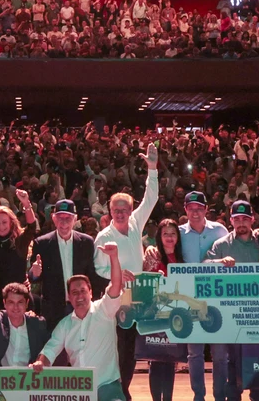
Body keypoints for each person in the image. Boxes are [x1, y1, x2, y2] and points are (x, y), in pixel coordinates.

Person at [94, 142, 160, 401]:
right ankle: (116, 391)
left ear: (131, 211)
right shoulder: (103, 235)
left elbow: (152, 197)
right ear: (109, 211)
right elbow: (99, 269)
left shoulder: (135, 223)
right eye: (116, 210)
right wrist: (117, 276)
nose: (121, 213)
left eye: (125, 209)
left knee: (131, 348)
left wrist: (152, 168)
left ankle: (124, 390)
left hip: (139, 296)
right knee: (116, 346)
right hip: (114, 297)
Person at [31, 242, 126, 401]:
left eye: (83, 291)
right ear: (69, 297)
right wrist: (40, 363)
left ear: (91, 292)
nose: (79, 296)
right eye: (74, 292)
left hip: (107, 387)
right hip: (79, 391)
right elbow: (49, 351)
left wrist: (114, 257)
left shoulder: (105, 310)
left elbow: (116, 285)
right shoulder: (65, 325)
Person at [204, 200, 259, 401]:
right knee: (232, 363)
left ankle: (257, 397)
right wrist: (218, 262)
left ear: (252, 220)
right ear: (231, 221)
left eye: (245, 219)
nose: (241, 223)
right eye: (237, 219)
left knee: (257, 360)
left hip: (257, 312)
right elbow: (203, 266)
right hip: (229, 314)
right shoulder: (221, 245)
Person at [178, 190, 229, 401]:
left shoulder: (220, 230)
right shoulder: (178, 232)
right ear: (185, 209)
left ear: (206, 209)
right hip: (190, 298)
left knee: (220, 355)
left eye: (199, 208)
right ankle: (198, 396)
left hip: (217, 299)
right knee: (195, 354)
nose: (195, 212)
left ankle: (220, 396)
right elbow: (165, 248)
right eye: (191, 208)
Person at [29, 199, 98, 333]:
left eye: (68, 218)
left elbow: (92, 276)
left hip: (81, 305)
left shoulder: (86, 242)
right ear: (53, 219)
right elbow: (33, 277)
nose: (64, 222)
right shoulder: (42, 244)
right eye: (60, 218)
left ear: (75, 219)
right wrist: (35, 272)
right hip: (54, 309)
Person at [143, 219, 184, 401]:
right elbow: (143, 281)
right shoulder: (152, 255)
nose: (169, 237)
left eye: (173, 233)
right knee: (155, 359)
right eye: (165, 233)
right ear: (159, 236)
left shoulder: (182, 259)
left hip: (174, 316)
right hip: (154, 315)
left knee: (170, 361)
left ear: (178, 237)